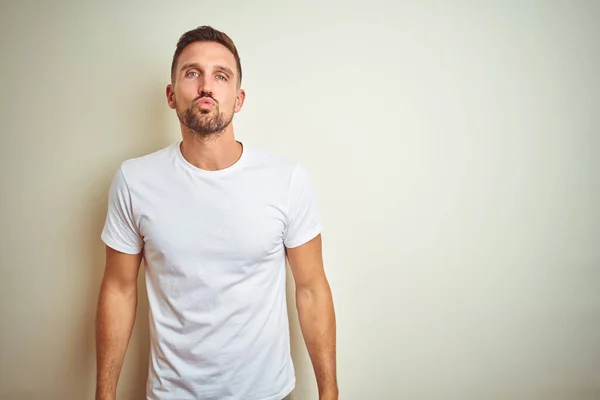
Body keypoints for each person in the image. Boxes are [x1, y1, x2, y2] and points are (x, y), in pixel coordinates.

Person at [95, 26, 338, 400]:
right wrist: (104, 394)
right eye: (192, 73)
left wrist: (329, 392)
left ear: (238, 98)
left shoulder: (286, 179)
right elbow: (118, 289)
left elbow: (312, 289)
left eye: (220, 76)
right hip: (172, 393)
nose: (206, 86)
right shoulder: (134, 180)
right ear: (171, 94)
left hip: (267, 393)